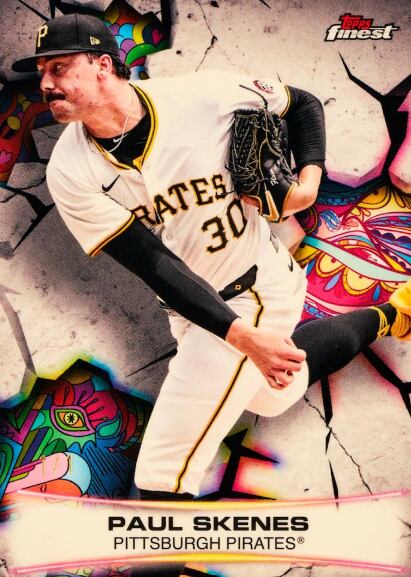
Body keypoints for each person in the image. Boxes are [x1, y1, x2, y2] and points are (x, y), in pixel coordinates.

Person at [13, 14, 411, 576]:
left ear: (103, 65)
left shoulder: (202, 95)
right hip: (198, 312)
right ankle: (393, 313)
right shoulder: (70, 170)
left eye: (59, 67)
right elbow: (153, 263)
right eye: (41, 72)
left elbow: (301, 103)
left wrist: (308, 183)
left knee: (162, 472)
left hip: (257, 289)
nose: (46, 83)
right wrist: (244, 339)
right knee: (275, 393)